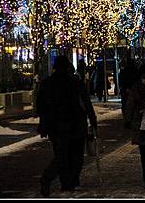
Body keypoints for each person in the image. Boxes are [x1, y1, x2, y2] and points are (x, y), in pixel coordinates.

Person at [37, 56, 97, 197]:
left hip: (56, 126)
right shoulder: (75, 82)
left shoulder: (47, 83)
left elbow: (41, 107)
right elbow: (86, 103)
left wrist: (44, 124)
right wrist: (92, 120)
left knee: (61, 156)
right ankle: (67, 182)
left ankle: (58, 180)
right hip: (76, 124)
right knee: (76, 156)